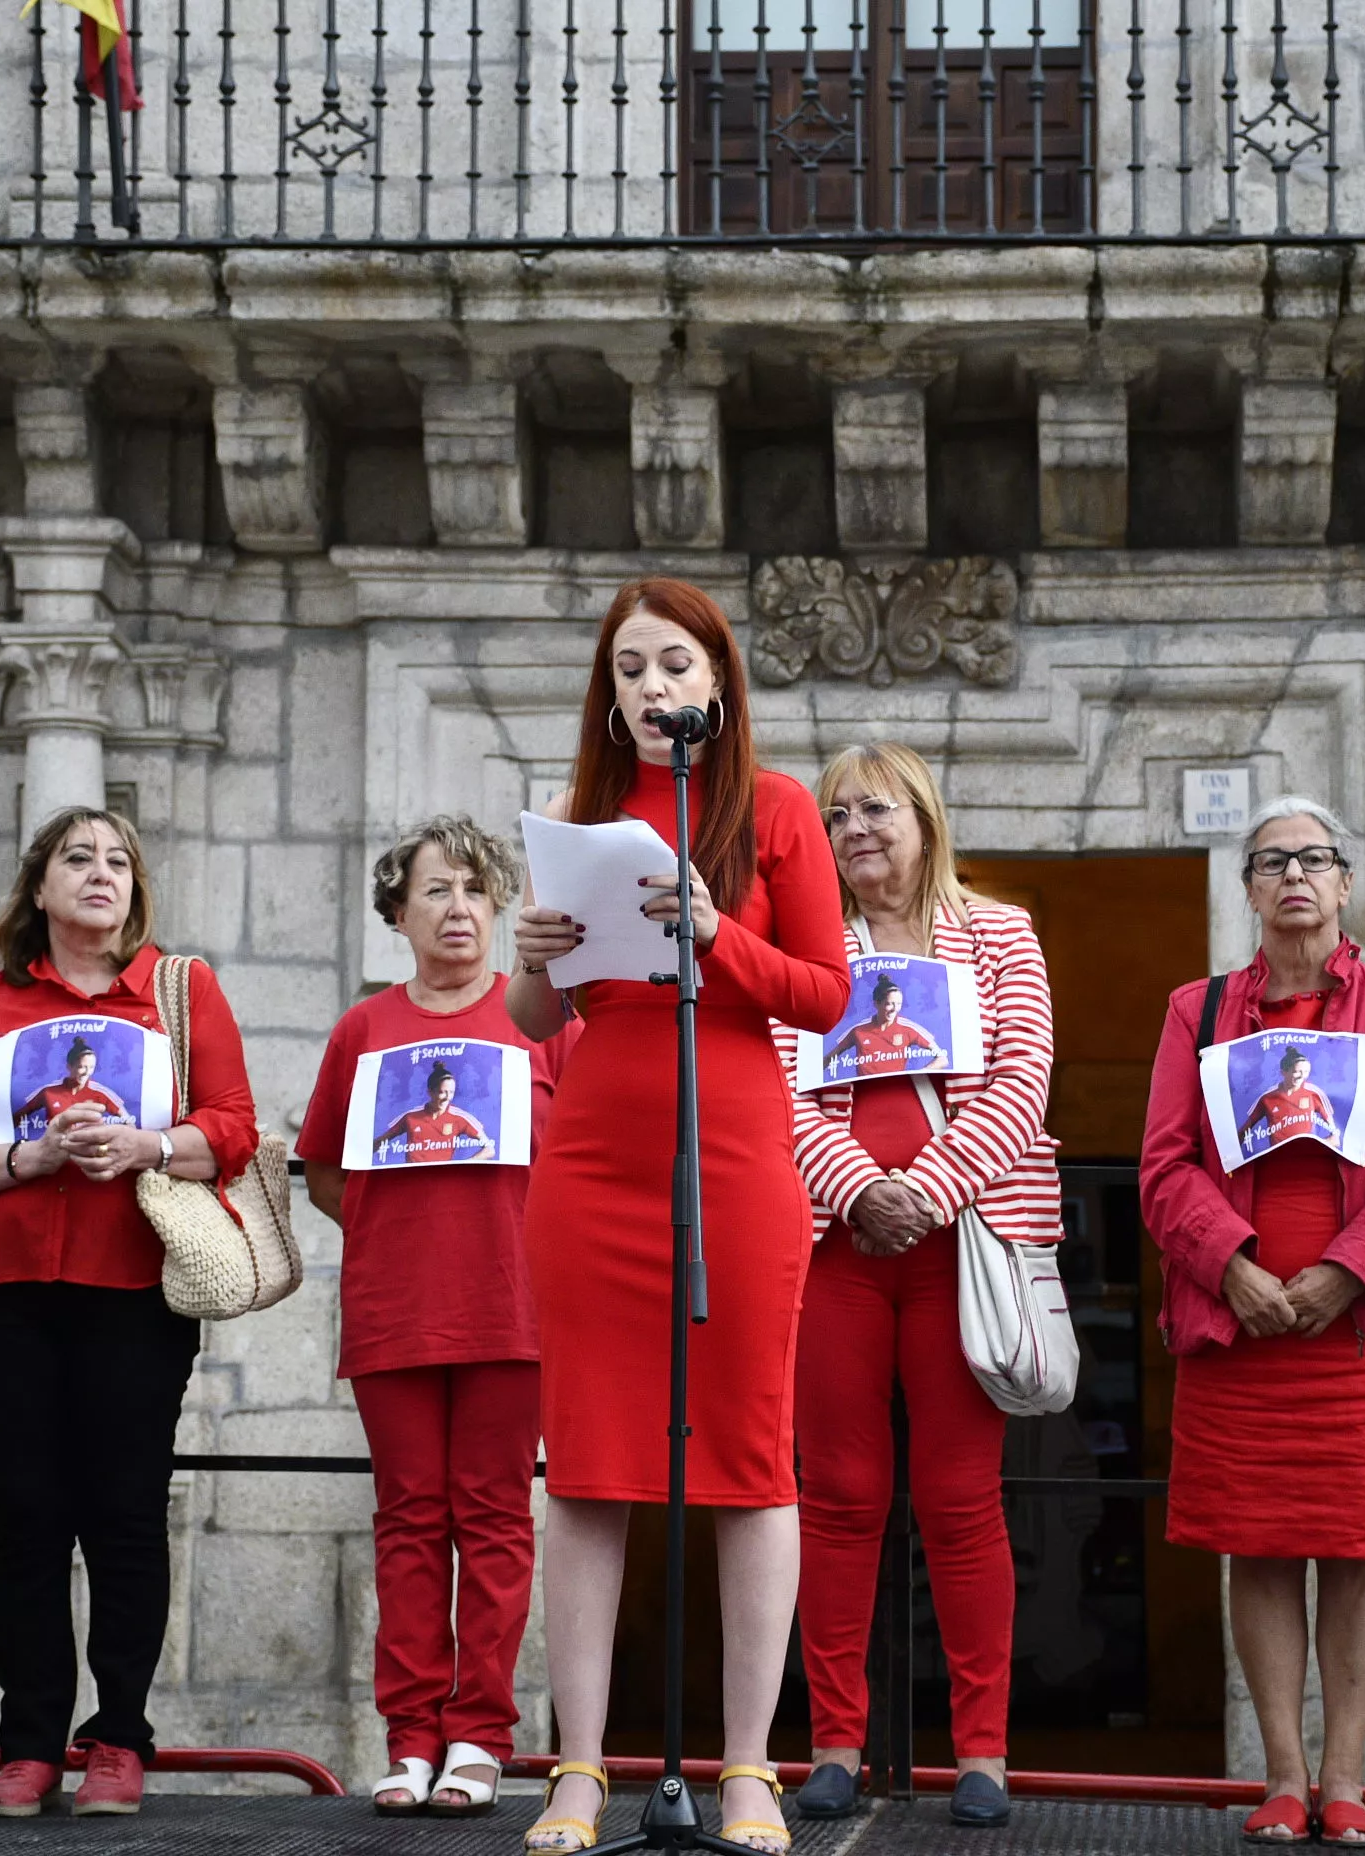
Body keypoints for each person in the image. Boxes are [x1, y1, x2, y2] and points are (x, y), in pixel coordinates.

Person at [508, 576, 851, 1856]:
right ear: (609, 694)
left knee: (752, 1460)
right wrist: (533, 957)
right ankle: (579, 1766)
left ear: (718, 680)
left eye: (675, 665)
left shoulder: (776, 809)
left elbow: (825, 992)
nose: (653, 689)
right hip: (594, 1160)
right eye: (631, 670)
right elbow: (538, 1023)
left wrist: (717, 935)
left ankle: (751, 1765)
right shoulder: (580, 814)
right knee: (589, 1464)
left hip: (740, 1157)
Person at [0, 808, 259, 1820]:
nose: (100, 873)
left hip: (134, 1295)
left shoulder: (181, 995)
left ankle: (118, 1737)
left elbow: (231, 1128)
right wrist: (34, 1155)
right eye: (78, 857)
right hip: (6, 1296)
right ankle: (28, 1744)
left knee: (122, 1515)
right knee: (23, 1519)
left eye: (118, 860)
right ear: (41, 887)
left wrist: (144, 1146)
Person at [1137, 797, 1365, 1847]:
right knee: (1259, 1547)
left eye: (1313, 859)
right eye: (1271, 861)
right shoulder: (1202, 1007)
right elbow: (1164, 1163)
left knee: (1362, 1548)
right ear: (1247, 887)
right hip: (1240, 1330)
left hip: (1363, 1331)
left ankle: (1350, 1777)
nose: (1294, 877)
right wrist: (1229, 1266)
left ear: (1345, 881)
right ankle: (1282, 1773)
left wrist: (1343, 1273)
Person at [779, 743, 1060, 1831]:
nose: (856, 829)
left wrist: (926, 1192)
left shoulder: (1001, 932)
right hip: (838, 1252)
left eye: (876, 808)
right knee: (839, 1495)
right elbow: (776, 1086)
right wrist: (859, 1189)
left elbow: (1023, 1074)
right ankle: (836, 1743)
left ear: (924, 817)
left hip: (967, 1248)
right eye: (837, 814)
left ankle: (981, 1751)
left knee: (959, 1497)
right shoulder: (802, 945)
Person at [297, 816, 579, 1817]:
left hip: (513, 1310)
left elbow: (591, 1158)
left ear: (498, 906)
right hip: (395, 1311)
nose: (457, 907)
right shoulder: (361, 1029)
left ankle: (480, 1736)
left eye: (474, 888)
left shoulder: (546, 1018)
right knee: (409, 1522)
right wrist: (403, 1225)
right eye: (435, 890)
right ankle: (409, 1737)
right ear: (399, 912)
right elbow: (325, 1169)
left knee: (496, 1520)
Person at [375, 1060, 490, 1164]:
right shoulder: (410, 1116)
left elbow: (489, 1149)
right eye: (442, 1092)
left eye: (451, 1092)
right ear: (430, 1092)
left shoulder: (460, 1117)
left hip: (442, 1180)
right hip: (412, 1180)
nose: (447, 1097)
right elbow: (380, 1141)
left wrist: (465, 1164)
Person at [13, 1036, 131, 1136]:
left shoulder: (100, 1092)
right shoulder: (48, 1091)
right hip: (53, 1156)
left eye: (91, 1068)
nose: (87, 1072)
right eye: (81, 1067)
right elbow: (16, 1117)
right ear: (69, 1066)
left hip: (89, 1156)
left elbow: (129, 1122)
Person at [833, 976, 942, 1077]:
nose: (895, 1009)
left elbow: (942, 1058)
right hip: (866, 1093)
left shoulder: (908, 1028)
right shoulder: (858, 1029)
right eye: (889, 1003)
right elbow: (829, 1058)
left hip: (896, 1091)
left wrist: (917, 1076)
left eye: (899, 1004)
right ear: (876, 1004)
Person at [1238, 1046, 1338, 1153]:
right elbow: (1243, 1132)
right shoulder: (1267, 1097)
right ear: (1283, 1072)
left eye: (1306, 1072)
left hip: (1307, 1160)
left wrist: (1311, 1150)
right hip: (1278, 1161)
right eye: (1297, 1071)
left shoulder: (1314, 1093)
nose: (1302, 1076)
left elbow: (1335, 1139)